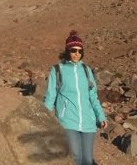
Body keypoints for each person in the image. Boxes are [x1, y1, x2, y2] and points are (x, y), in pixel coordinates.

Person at [43, 30, 107, 165]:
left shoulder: (86, 70)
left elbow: (93, 96)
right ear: (67, 51)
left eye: (79, 51)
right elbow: (50, 96)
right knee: (76, 157)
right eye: (73, 50)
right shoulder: (57, 70)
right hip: (67, 121)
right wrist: (44, 118)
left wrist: (101, 117)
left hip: (88, 123)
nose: (77, 54)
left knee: (88, 161)